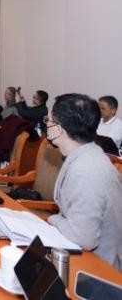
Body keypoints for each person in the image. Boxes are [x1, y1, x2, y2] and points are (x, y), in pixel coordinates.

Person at [45, 93, 122, 269]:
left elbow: (83, 238)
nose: (46, 125)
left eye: (48, 120)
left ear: (58, 129)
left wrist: (53, 219)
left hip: (98, 268)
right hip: (78, 253)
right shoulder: (85, 154)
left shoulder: (88, 169)